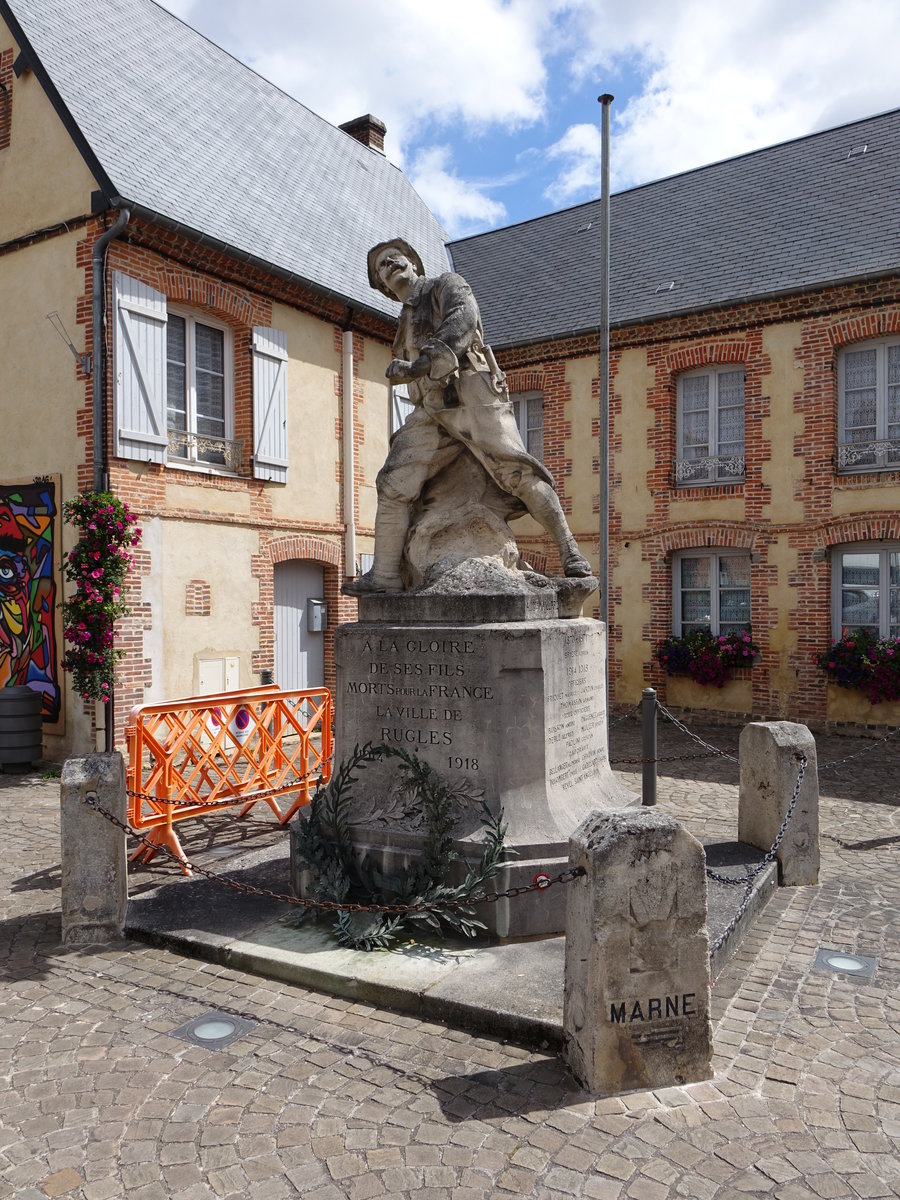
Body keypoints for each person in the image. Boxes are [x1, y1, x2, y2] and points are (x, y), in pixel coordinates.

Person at [343, 238, 592, 595]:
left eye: (396, 257)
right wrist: (416, 374)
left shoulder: (445, 284)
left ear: (414, 263)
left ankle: (570, 553)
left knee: (515, 471)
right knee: (393, 482)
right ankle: (384, 576)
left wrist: (420, 365)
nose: (391, 264)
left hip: (470, 391)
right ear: (383, 286)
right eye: (382, 265)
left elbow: (464, 316)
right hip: (431, 407)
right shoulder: (403, 323)